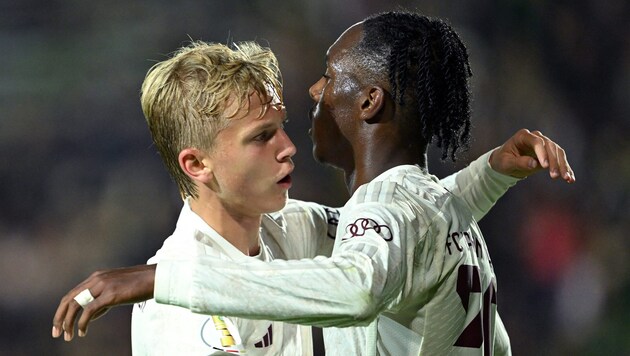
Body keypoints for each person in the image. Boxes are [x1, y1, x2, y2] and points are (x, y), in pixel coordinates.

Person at [53, 11, 575, 355]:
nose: (289, 147)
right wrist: (160, 280)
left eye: (281, 127)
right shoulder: (178, 316)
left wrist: (489, 175)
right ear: (197, 165)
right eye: (262, 137)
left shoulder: (289, 227)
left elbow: (408, 228)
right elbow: (376, 264)